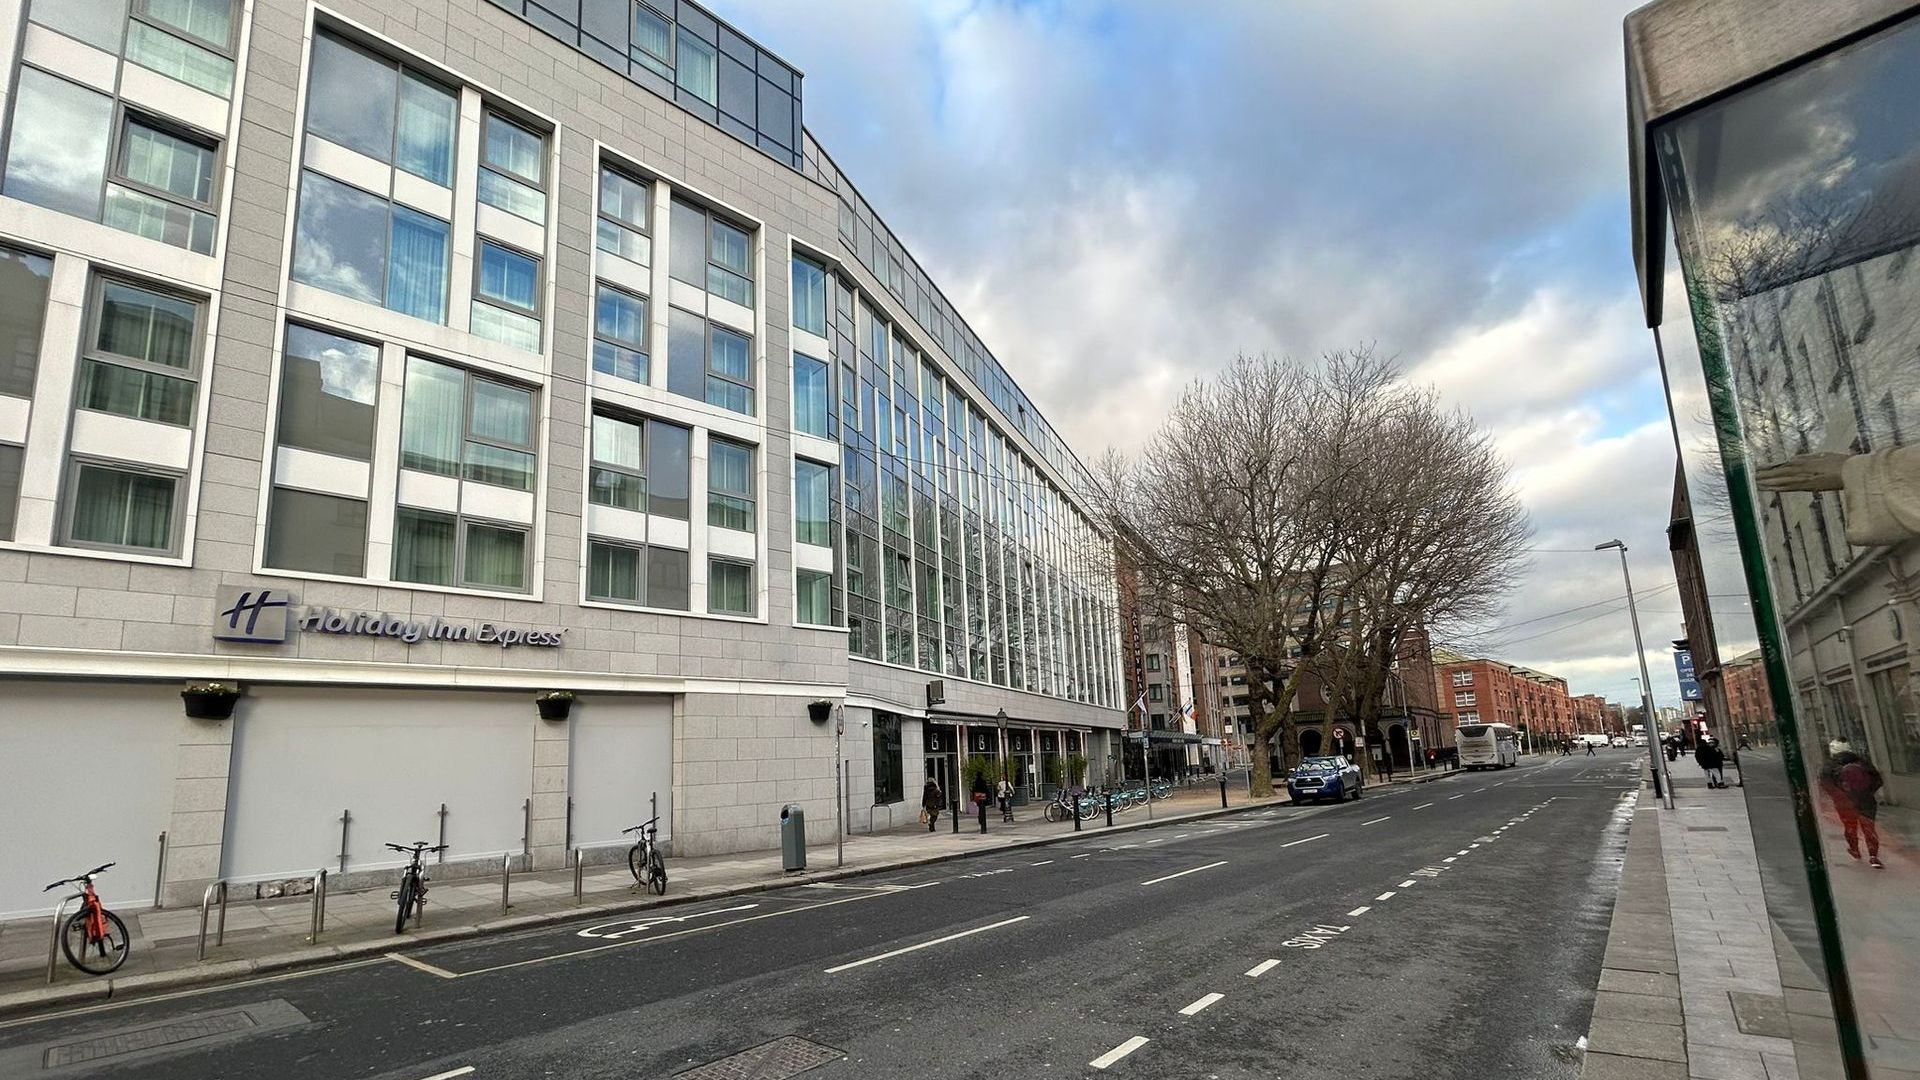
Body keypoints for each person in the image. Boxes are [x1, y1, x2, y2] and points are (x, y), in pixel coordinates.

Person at [1819, 739, 1885, 869]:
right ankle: (1873, 856)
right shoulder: (1862, 762)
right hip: (1866, 800)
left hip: (1845, 803)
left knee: (1850, 826)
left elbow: (1826, 784)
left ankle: (1854, 849)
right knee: (1869, 827)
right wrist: (1867, 792)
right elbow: (1878, 780)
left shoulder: (1829, 766)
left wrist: (1839, 797)